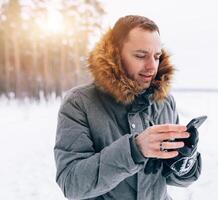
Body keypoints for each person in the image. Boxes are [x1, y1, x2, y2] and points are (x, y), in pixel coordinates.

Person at [54, 15, 201, 200]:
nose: (151, 67)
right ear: (114, 54)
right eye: (140, 56)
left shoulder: (164, 102)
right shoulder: (79, 103)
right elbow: (72, 183)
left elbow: (174, 179)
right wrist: (134, 150)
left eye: (156, 57)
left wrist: (184, 158)